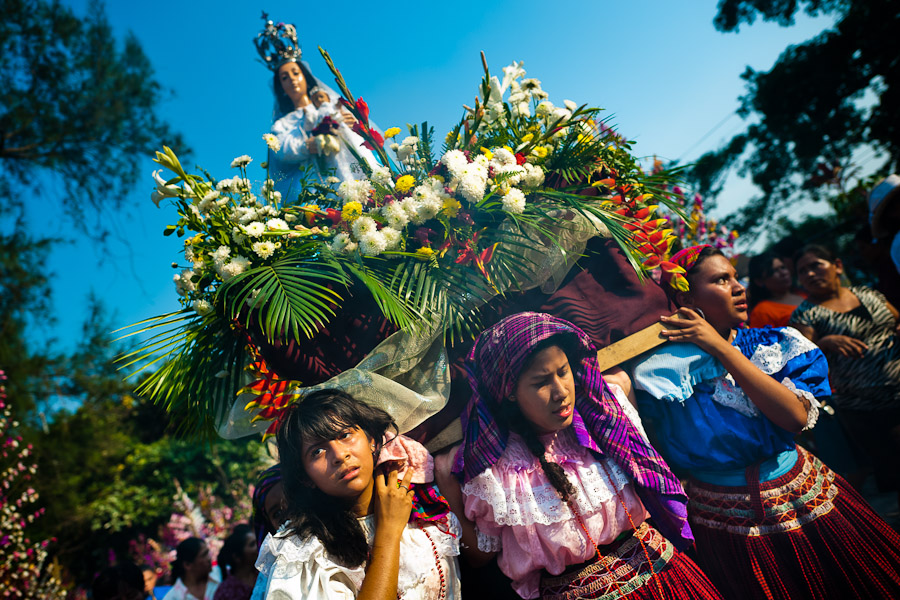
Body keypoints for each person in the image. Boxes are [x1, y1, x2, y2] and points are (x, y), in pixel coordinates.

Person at [632, 244, 900, 599]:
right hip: (721, 521)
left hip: (804, 500)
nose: (739, 287)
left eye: (735, 277)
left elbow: (794, 417)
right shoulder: (658, 375)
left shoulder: (775, 345)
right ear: (684, 294)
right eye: (721, 280)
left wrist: (721, 348)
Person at [435, 311, 723, 599]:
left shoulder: (607, 418)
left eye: (563, 372)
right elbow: (481, 556)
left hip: (666, 579)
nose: (561, 391)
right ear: (509, 392)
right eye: (540, 382)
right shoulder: (497, 473)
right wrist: (449, 490)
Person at [256, 388, 462, 599]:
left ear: (371, 439)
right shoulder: (305, 552)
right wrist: (388, 532)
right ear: (305, 477)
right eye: (317, 451)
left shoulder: (420, 505)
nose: (339, 455)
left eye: (345, 435)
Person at [790, 244, 900, 501]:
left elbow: (895, 320)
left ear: (837, 265)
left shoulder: (867, 294)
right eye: (802, 271)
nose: (809, 274)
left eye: (816, 265)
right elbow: (800, 360)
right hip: (866, 408)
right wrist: (825, 343)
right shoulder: (805, 315)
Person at [255, 17, 378, 198]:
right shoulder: (283, 123)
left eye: (295, 73)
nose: (292, 80)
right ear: (280, 87)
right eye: (284, 78)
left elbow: (352, 125)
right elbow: (280, 148)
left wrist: (348, 122)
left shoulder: (329, 104)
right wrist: (306, 145)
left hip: (351, 163)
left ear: (304, 76)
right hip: (319, 180)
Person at [747, 251, 805, 327]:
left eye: (783, 267)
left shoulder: (804, 292)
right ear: (759, 281)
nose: (783, 273)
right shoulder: (762, 311)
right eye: (773, 271)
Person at [213, 524, 257, 600]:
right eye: (252, 544)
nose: (258, 546)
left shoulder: (265, 572)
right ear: (237, 557)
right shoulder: (226, 592)